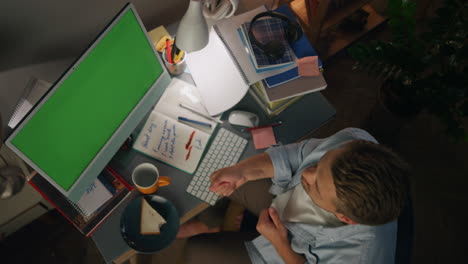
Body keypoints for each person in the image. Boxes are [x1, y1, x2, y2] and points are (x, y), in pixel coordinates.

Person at [180, 128, 410, 264]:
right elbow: (297, 156)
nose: (306, 173)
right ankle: (212, 222)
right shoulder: (353, 142)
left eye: (317, 186)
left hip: (287, 253)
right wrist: (244, 171)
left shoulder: (355, 257)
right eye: (321, 162)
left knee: (197, 250)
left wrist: (280, 243)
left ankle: (211, 230)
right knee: (222, 165)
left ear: (346, 218)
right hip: (283, 201)